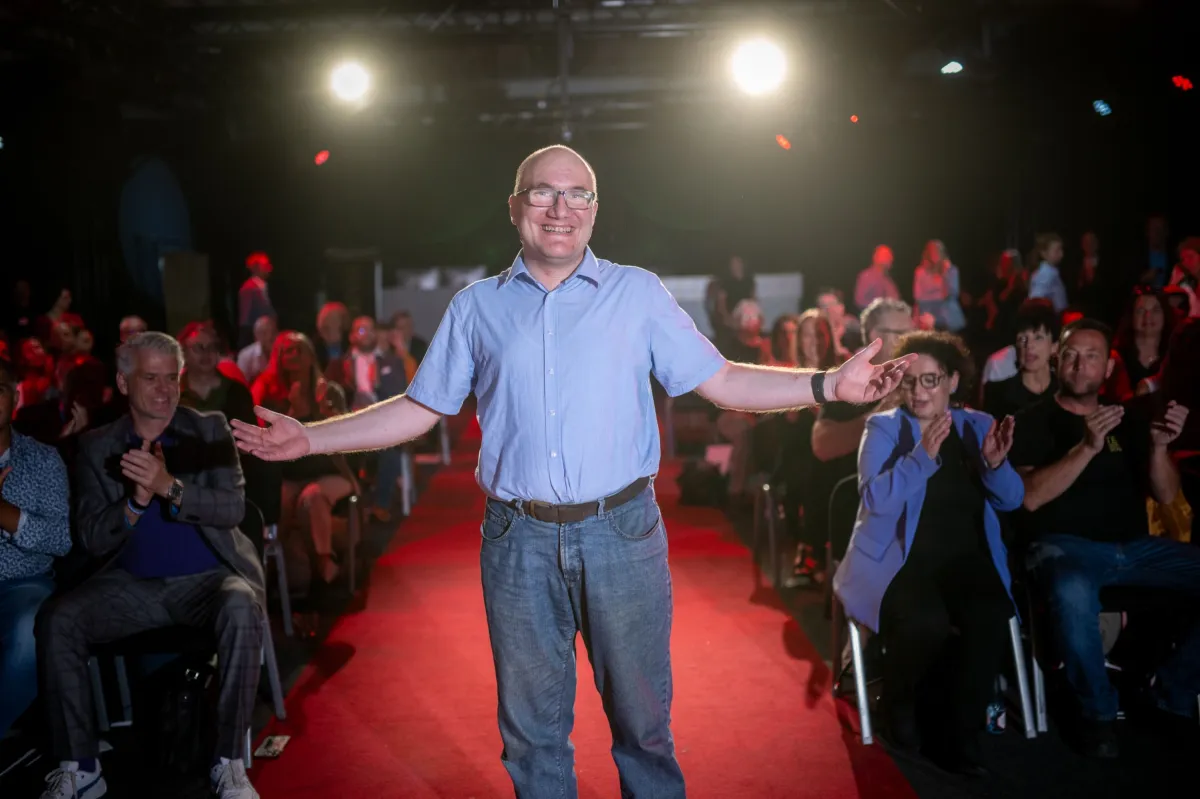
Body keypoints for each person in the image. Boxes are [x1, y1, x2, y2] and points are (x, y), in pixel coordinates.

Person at [231, 144, 916, 798]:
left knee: (644, 731)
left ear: (596, 207)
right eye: (544, 193)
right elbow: (418, 409)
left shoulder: (638, 294)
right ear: (513, 207)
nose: (561, 208)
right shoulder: (477, 306)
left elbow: (724, 381)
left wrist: (828, 385)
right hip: (516, 542)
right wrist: (309, 439)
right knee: (531, 740)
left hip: (623, 535)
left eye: (577, 194)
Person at [36, 332, 264, 799]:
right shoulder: (97, 445)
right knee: (59, 619)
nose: (164, 389)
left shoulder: (211, 428)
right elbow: (92, 537)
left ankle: (228, 762)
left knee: (242, 606)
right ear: (123, 382)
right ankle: (81, 766)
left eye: (172, 378)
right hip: (132, 586)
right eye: (150, 378)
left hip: (209, 581)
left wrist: (169, 487)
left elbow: (233, 509)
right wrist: (135, 505)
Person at [1009, 318, 1199, 758]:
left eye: (1092, 356)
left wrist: (1158, 448)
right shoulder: (1030, 422)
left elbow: (1167, 493)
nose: (1080, 364)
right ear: (1058, 360)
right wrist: (1087, 447)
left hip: (1133, 550)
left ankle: (1171, 691)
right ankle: (1097, 714)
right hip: (1062, 547)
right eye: (1072, 354)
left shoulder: (1129, 420)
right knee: (1071, 587)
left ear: (1108, 369)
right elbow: (1030, 498)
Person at [834, 331, 1023, 774]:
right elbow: (875, 501)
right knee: (925, 622)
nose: (919, 391)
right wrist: (921, 456)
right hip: (900, 562)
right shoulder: (883, 429)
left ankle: (962, 732)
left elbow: (1012, 499)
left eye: (931, 380)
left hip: (965, 560)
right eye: (911, 382)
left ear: (953, 381)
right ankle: (900, 707)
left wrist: (995, 466)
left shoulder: (977, 425)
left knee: (990, 613)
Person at [0, 357, 72, 738]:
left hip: (22, 582)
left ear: (14, 397)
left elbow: (61, 540)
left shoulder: (43, 459)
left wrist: (3, 513)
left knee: (30, 629)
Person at [982, 299, 1060, 420]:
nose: (1029, 345)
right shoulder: (997, 393)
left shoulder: (1065, 391)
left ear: (1054, 346)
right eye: (1023, 339)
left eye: (1038, 338)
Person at [912, 240, 966, 332]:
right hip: (926, 313)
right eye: (931, 250)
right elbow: (917, 296)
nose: (934, 253)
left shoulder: (951, 271)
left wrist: (945, 275)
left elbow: (951, 294)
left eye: (937, 250)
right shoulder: (920, 272)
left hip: (947, 317)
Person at [237, 252, 275, 349]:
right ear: (256, 268)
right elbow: (245, 319)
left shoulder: (260, 287)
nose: (269, 268)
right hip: (255, 340)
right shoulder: (249, 288)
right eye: (265, 265)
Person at [1028, 232, 1069, 313]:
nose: (1061, 254)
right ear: (1044, 253)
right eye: (1057, 250)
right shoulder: (1045, 274)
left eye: (1061, 249)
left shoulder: (1052, 272)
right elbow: (1035, 301)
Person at [854, 245, 900, 311]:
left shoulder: (888, 281)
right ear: (876, 257)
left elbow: (896, 301)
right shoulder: (867, 276)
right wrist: (878, 308)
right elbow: (859, 300)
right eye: (886, 255)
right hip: (874, 318)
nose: (890, 258)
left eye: (890, 256)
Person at [236, 314, 277, 385]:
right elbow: (241, 385)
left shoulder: (282, 351)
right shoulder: (245, 355)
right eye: (265, 333)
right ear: (256, 336)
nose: (270, 336)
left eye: (273, 332)